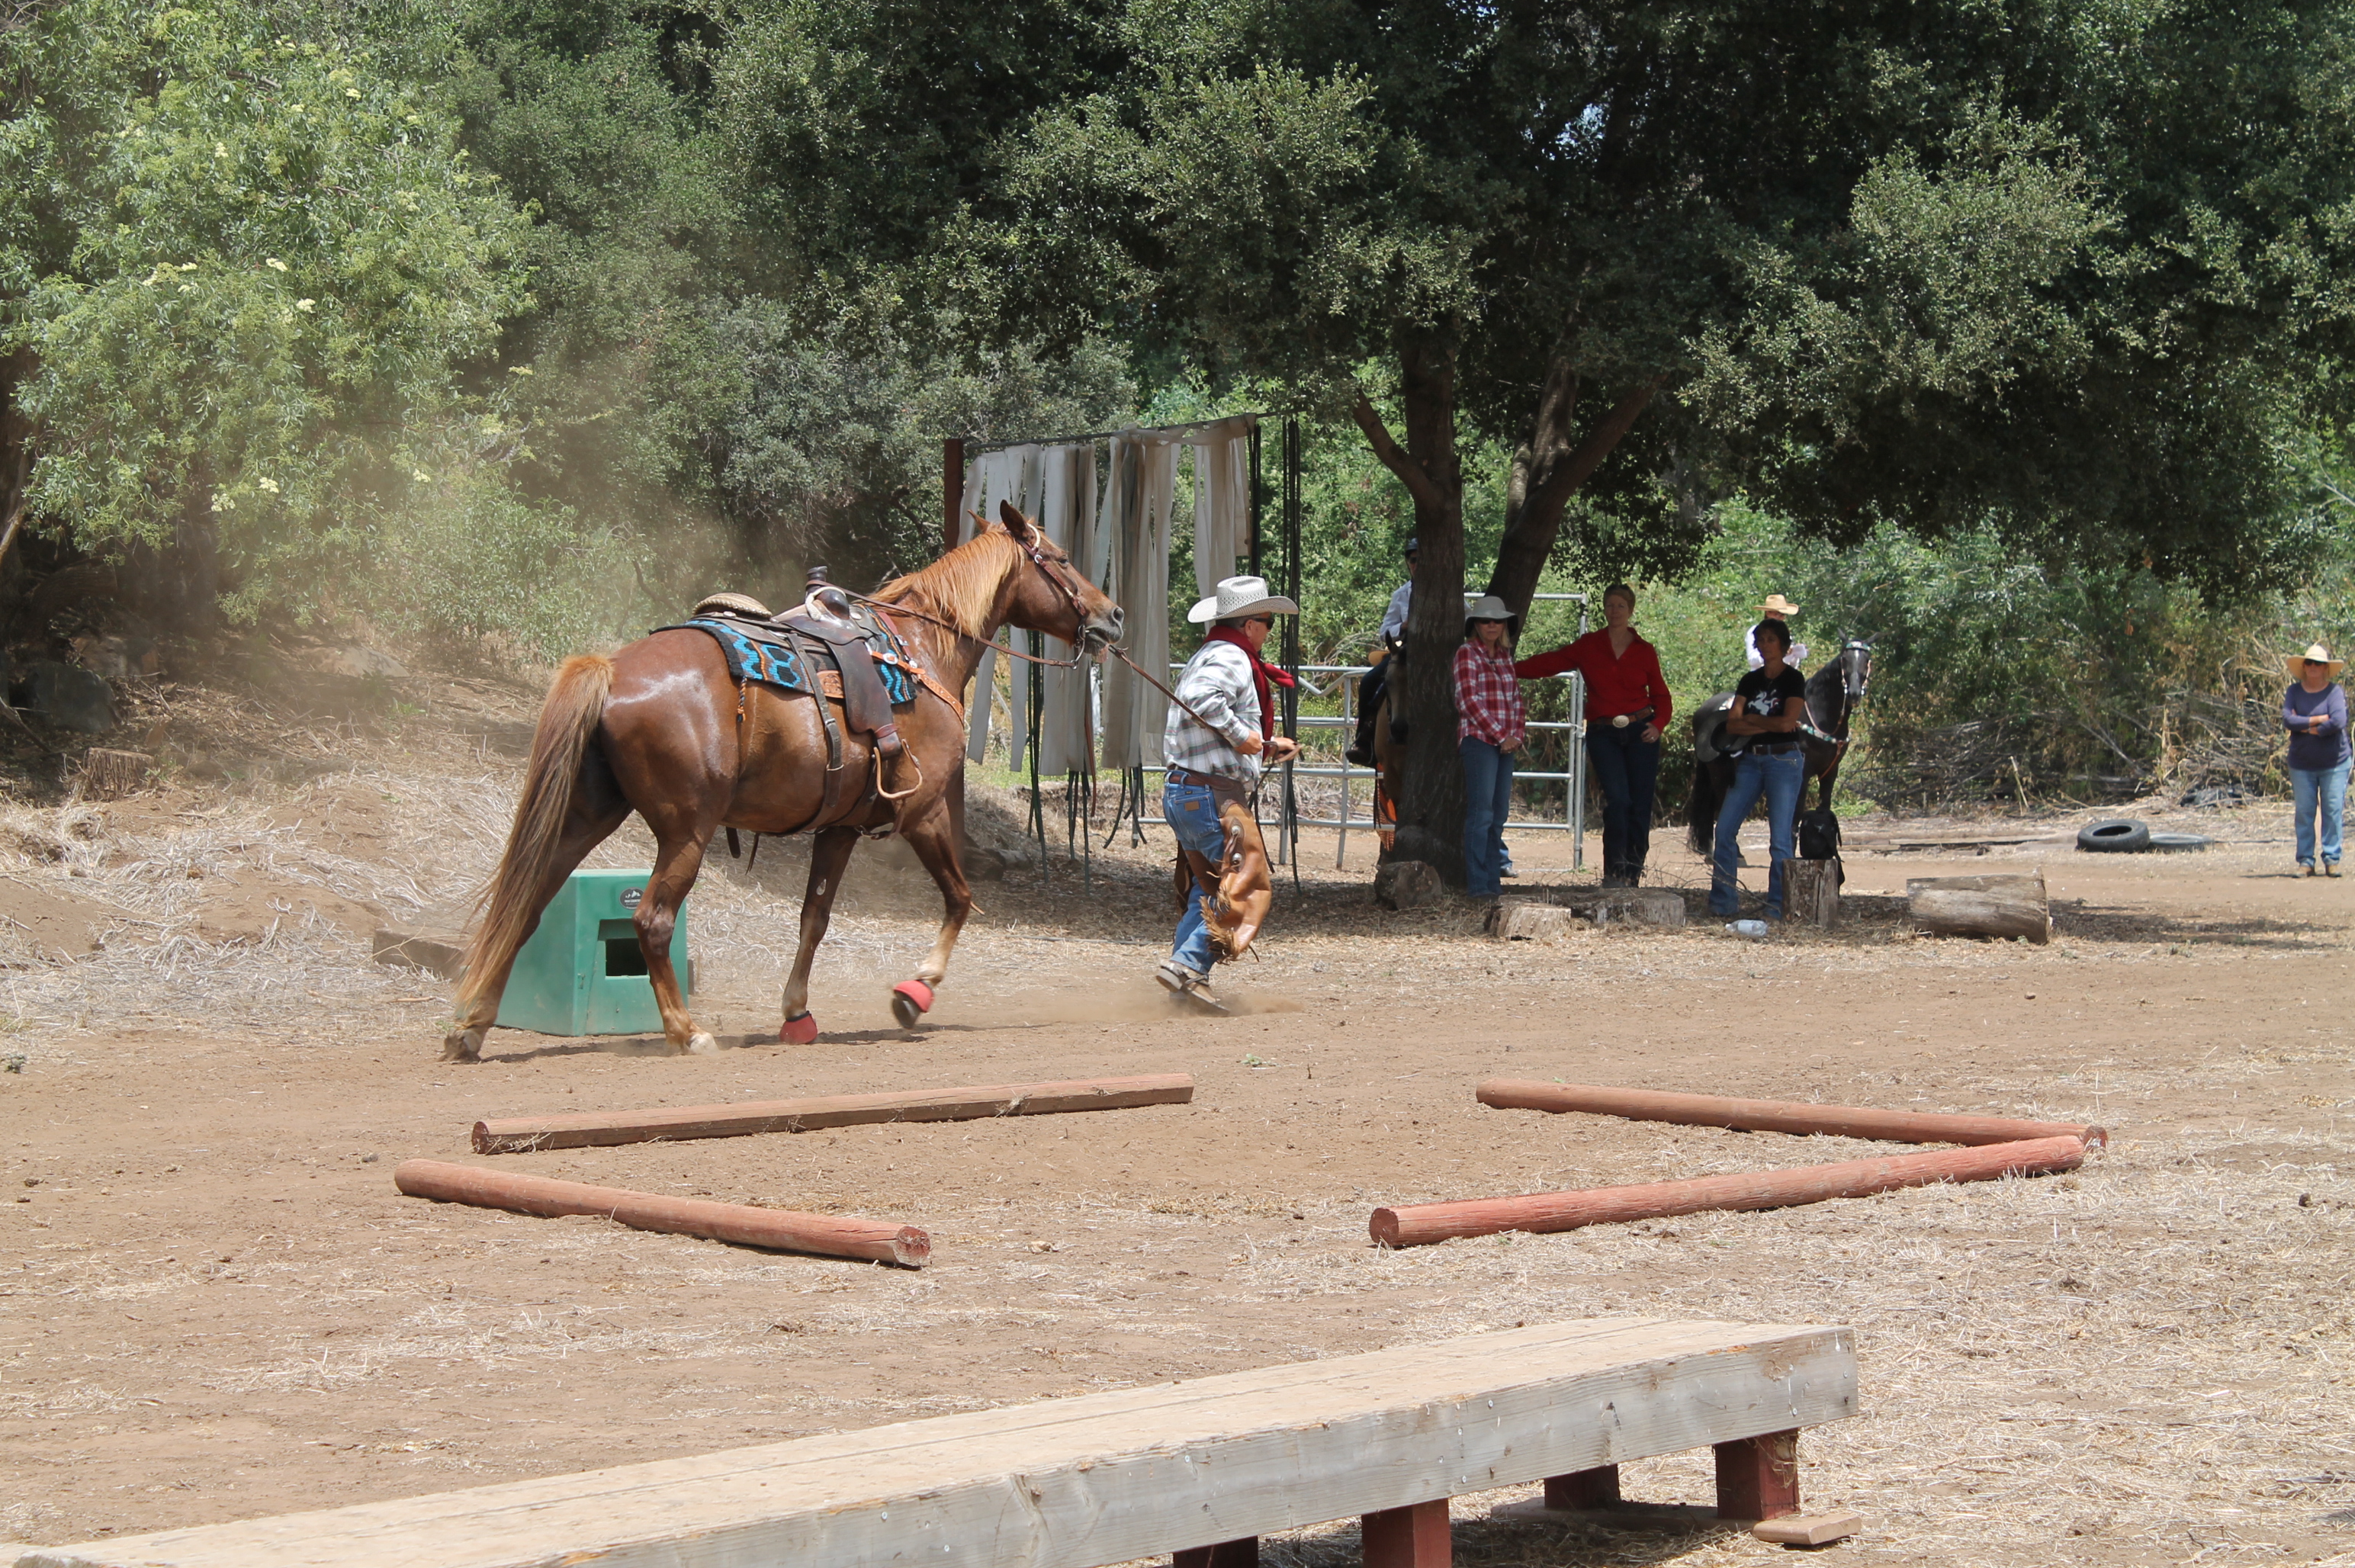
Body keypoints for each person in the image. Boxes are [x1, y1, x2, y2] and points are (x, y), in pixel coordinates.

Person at [1155, 575, 1301, 1007]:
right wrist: (1246, 738)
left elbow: (1207, 716)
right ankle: (1188, 966)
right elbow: (1203, 700)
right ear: (1251, 624)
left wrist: (1269, 746)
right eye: (1268, 622)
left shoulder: (1211, 653)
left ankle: (1184, 978)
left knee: (1209, 887)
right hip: (1211, 796)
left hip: (1187, 790)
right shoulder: (1233, 657)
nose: (1269, 631)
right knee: (1245, 882)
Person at [1513, 583, 1672, 886]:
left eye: (1621, 606)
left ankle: (1633, 874)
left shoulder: (1644, 650)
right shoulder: (1589, 645)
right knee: (1618, 800)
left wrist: (1658, 723)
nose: (1615, 611)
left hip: (1641, 731)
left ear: (1631, 610)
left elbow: (1661, 696)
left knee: (1640, 805)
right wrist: (1510, 668)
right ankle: (1614, 873)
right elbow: (1551, 662)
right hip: (1604, 732)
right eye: (1610, 605)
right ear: (1604, 609)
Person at [1710, 619, 1809, 918]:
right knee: (1724, 829)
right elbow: (1732, 723)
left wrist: (1754, 721)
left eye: (1770, 640)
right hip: (1751, 759)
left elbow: (1786, 723)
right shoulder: (1749, 681)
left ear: (1783, 645)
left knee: (1780, 838)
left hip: (1784, 759)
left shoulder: (1794, 679)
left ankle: (1778, 905)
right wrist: (1763, 723)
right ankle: (1723, 903)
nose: (1765, 645)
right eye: (1761, 640)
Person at [1454, 596, 1526, 900]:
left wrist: (1516, 735)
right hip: (1480, 741)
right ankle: (1479, 884)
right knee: (1481, 814)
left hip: (1504, 744)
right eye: (1486, 621)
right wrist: (1502, 735)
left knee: (1498, 815)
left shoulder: (1505, 656)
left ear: (1504, 624)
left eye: (1497, 621)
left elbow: (1516, 699)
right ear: (1476, 625)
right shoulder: (1466, 653)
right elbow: (1468, 701)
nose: (1492, 625)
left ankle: (1493, 883)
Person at [1347, 536, 1417, 765]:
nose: (1418, 566)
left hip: (1437, 656)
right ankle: (1364, 740)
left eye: (1423, 561)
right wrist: (1403, 626)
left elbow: (1465, 620)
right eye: (1414, 560)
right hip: (1406, 651)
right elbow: (1384, 630)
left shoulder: (1448, 593)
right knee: (1370, 681)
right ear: (1408, 563)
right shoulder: (1401, 594)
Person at [2284, 642, 2349, 878]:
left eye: (2318, 664)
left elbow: (2339, 722)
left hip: (2335, 762)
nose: (2313, 667)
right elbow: (2288, 720)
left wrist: (2309, 726)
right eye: (2309, 663)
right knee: (2304, 812)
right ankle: (2306, 861)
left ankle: (2332, 859)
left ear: (2325, 669)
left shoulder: (2334, 692)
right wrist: (2320, 718)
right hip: (2302, 763)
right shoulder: (2294, 691)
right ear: (2304, 666)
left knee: (2332, 810)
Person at [1746, 593, 1810, 671]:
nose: (1780, 618)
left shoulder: (1785, 634)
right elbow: (1753, 660)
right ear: (1768, 613)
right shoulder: (1755, 631)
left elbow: (1793, 666)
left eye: (1782, 615)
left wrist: (1794, 654)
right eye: (1777, 614)